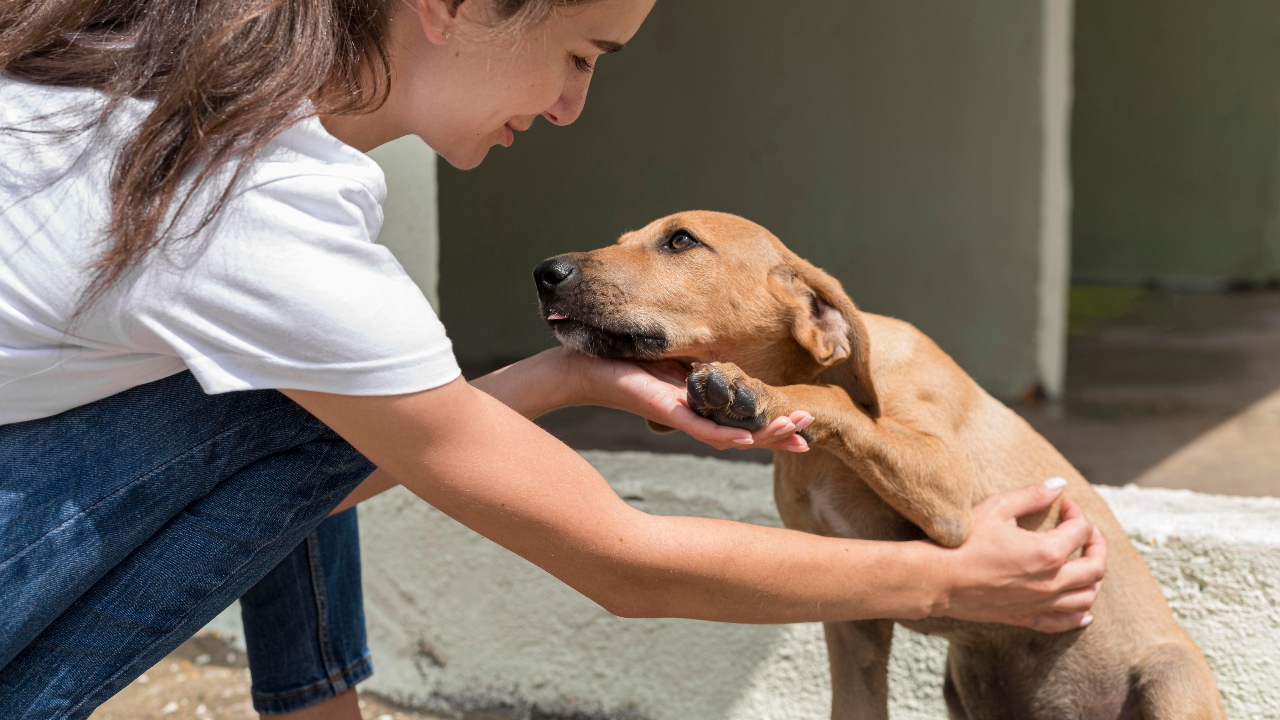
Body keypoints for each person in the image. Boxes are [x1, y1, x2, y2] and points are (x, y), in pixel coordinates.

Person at [0, 1, 1107, 718]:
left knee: (322, 391)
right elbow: (619, 561)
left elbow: (377, 435)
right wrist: (952, 578)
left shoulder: (153, 93)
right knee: (304, 396)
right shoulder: (255, 210)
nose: (573, 108)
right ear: (452, 10)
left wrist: (573, 374)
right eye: (578, 56)